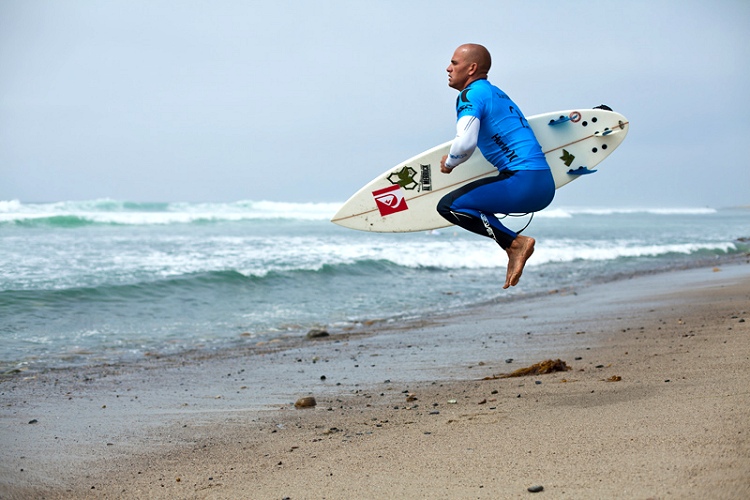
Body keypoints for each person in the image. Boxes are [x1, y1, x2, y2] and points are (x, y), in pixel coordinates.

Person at [437, 43, 555, 289]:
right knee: (472, 207)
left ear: (472, 68)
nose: (448, 68)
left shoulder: (470, 95)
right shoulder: (497, 93)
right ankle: (513, 245)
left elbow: (465, 144)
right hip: (542, 182)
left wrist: (449, 164)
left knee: (450, 206)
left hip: (521, 182)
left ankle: (515, 244)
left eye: (454, 63)